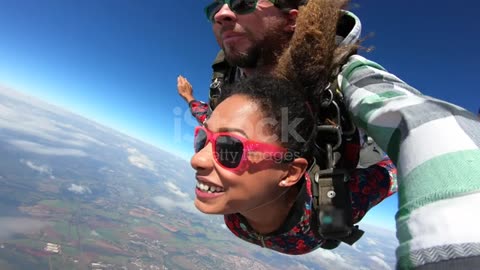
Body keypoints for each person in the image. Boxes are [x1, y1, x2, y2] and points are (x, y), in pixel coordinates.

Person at [186, 0, 480, 269]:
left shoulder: (343, 76)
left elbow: (418, 124)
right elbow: (211, 120)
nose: (221, 14)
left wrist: (455, 247)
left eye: (244, 2)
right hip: (269, 211)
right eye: (214, 8)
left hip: (319, 211)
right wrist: (191, 102)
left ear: (292, 19)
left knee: (343, 202)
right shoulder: (228, 76)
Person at [191, 74, 396, 255]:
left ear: (289, 172)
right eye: (203, 140)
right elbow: (205, 117)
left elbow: (397, 170)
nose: (197, 159)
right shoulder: (233, 200)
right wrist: (190, 99)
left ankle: (364, 142)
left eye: (230, 148)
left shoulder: (337, 202)